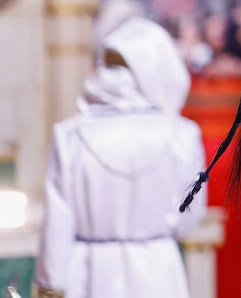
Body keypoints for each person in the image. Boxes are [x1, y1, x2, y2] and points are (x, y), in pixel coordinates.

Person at [34, 16, 206, 298]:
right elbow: (189, 219)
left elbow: (57, 221)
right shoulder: (182, 135)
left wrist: (50, 285)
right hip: (159, 272)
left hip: (88, 275)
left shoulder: (69, 135)